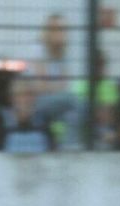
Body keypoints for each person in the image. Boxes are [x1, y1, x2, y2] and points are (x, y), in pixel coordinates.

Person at [31, 13, 80, 147]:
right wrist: (57, 89)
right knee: (75, 101)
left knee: (73, 115)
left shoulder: (63, 55)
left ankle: (68, 149)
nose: (62, 34)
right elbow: (41, 87)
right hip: (40, 103)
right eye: (58, 29)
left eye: (64, 30)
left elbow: (65, 84)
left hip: (59, 102)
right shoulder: (39, 51)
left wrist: (56, 88)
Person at [2, 77, 55, 153]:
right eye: (20, 94)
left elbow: (53, 149)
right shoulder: (1, 121)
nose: (25, 99)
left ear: (35, 97)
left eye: (29, 94)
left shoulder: (44, 119)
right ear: (11, 98)